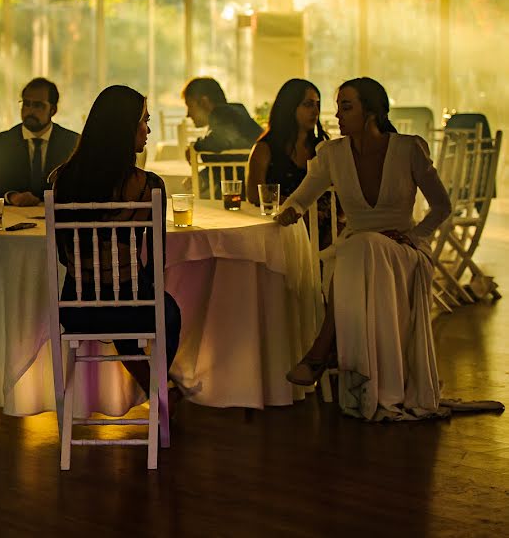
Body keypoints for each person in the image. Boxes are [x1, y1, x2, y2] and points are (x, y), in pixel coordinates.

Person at [276, 77, 451, 421]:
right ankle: (331, 356)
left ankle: (320, 352)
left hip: (403, 252)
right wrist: (288, 211)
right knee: (360, 246)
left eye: (347, 106)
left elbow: (442, 207)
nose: (337, 115)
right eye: (338, 106)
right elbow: (302, 197)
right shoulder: (333, 155)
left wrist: (415, 237)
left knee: (361, 247)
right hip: (359, 253)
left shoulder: (407, 149)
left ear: (371, 112)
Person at [51, 85, 181, 403]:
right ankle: (159, 389)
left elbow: (62, 255)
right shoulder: (148, 186)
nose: (148, 129)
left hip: (76, 310)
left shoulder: (61, 180)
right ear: (125, 128)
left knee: (125, 301)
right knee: (167, 311)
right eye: (144, 121)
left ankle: (160, 391)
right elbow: (157, 261)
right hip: (131, 308)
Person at [246, 78, 338, 249]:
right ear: (289, 108)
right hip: (283, 225)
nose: (315, 111)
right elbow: (254, 193)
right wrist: (295, 206)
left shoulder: (321, 147)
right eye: (308, 104)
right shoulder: (265, 148)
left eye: (317, 104)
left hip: (324, 229)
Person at [0, 78, 78, 205]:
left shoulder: (72, 142)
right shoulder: (1, 143)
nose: (30, 110)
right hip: (14, 217)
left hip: (58, 217)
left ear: (53, 110)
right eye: (26, 103)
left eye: (38, 105)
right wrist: (12, 196)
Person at [183, 77, 263, 197]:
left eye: (190, 105)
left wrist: (195, 146)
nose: (188, 114)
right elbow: (230, 158)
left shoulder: (224, 114)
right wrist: (203, 176)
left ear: (204, 102)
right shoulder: (233, 114)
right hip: (247, 191)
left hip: (245, 196)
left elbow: (220, 140)